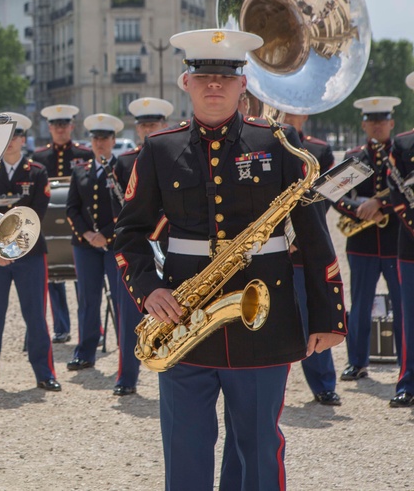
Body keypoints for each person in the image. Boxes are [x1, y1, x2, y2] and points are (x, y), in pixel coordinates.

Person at [114, 29, 345, 490]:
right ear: (186, 82)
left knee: (259, 450)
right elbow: (129, 235)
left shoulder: (280, 142)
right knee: (186, 450)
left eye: (226, 76)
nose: (213, 85)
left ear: (244, 85)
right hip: (182, 321)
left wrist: (328, 315)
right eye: (203, 76)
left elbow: (316, 238)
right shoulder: (159, 149)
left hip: (265, 322)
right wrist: (149, 289)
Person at [0, 112, 58, 392]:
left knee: (36, 316)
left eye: (15, 136)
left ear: (23, 139)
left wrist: (13, 247)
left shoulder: (37, 173)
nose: (10, 142)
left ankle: (45, 373)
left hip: (29, 254)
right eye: (5, 136)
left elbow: (37, 215)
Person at [64, 113, 142, 396]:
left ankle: (127, 355)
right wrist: (88, 235)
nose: (100, 143)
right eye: (96, 138)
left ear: (112, 141)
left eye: (105, 138)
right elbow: (72, 208)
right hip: (85, 246)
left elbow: (126, 208)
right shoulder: (81, 170)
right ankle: (85, 351)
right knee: (88, 299)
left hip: (114, 246)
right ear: (91, 141)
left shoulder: (122, 168)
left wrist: (106, 236)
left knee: (122, 302)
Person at [332, 98, 404, 385]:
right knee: (359, 305)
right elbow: (334, 194)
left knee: (403, 306)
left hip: (396, 242)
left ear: (392, 123)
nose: (377, 125)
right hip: (361, 244)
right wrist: (360, 212)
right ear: (364, 124)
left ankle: (406, 365)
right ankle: (357, 362)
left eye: (382, 120)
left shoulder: (402, 154)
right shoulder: (356, 158)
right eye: (371, 121)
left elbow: (404, 189)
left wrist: (380, 205)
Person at [283, 112, 342, 406]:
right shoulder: (261, 144)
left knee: (313, 316)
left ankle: (323, 384)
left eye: (294, 107)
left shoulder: (319, 149)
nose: (288, 111)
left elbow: (324, 201)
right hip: (271, 248)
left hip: (305, 250)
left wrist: (300, 235)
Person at [32, 104, 91, 345]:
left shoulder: (84, 154)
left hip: (78, 221)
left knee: (82, 278)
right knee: (53, 274)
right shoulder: (39, 156)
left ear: (71, 126)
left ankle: (89, 329)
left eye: (64, 124)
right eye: (56, 125)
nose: (60, 129)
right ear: (49, 127)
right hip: (51, 221)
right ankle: (61, 328)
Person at [388, 75, 414, 407]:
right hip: (410, 245)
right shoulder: (404, 144)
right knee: (410, 317)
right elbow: (397, 193)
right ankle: (407, 381)